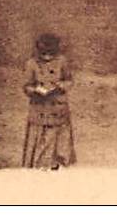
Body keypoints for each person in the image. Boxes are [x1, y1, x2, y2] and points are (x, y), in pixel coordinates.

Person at [22, 32, 76, 169]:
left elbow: (69, 80)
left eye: (50, 54)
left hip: (58, 106)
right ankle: (38, 165)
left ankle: (58, 163)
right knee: (40, 138)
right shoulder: (31, 64)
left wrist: (59, 86)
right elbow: (26, 86)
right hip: (39, 107)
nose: (47, 57)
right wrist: (35, 90)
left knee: (58, 138)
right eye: (44, 54)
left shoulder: (62, 61)